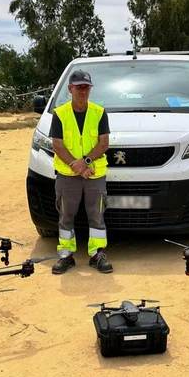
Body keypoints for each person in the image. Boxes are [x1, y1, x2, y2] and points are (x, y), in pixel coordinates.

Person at [49, 69, 112, 274]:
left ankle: (96, 254)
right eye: (79, 87)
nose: (83, 91)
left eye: (86, 87)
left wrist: (84, 163)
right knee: (66, 214)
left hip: (94, 173)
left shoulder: (99, 112)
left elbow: (104, 144)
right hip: (67, 176)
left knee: (96, 214)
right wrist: (75, 167)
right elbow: (57, 145)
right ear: (70, 89)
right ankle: (66, 255)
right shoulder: (59, 113)